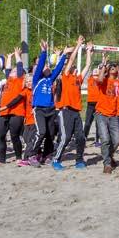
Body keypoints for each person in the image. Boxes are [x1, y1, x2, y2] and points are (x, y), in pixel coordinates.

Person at [51, 39, 90, 170]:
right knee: (66, 137)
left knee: (81, 138)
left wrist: (89, 51)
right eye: (71, 65)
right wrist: (78, 44)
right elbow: (72, 59)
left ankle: (79, 160)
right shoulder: (66, 76)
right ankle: (56, 159)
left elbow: (88, 66)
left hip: (76, 112)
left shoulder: (78, 79)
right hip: (65, 111)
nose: (73, 66)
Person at [31, 41, 67, 164]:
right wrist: (44, 52)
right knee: (41, 132)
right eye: (45, 66)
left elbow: (58, 68)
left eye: (47, 66)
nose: (47, 66)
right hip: (39, 109)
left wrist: (64, 55)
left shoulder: (51, 79)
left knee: (50, 134)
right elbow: (40, 65)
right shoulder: (37, 80)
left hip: (50, 109)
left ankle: (46, 155)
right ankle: (32, 154)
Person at [94, 54, 119, 173]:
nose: (113, 67)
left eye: (115, 66)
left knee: (117, 140)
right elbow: (100, 79)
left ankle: (109, 156)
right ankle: (107, 164)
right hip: (101, 114)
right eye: (111, 66)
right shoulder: (104, 80)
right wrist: (104, 65)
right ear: (108, 70)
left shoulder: (117, 82)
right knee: (105, 139)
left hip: (113, 115)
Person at [0, 48, 28, 165]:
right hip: (4, 112)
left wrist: (17, 55)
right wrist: (9, 57)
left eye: (15, 70)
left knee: (14, 136)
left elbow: (19, 66)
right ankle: (1, 159)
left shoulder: (20, 79)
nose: (13, 70)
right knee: (0, 135)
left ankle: (19, 157)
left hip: (16, 112)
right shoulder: (9, 79)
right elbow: (8, 69)